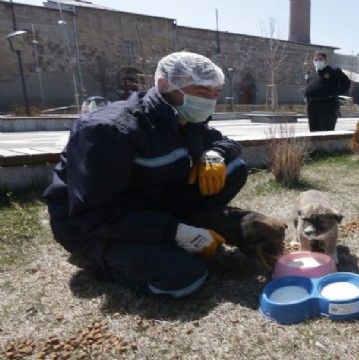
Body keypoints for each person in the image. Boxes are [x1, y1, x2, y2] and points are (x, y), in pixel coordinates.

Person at [43, 51, 251, 298]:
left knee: (233, 168)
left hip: (148, 206)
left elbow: (226, 143)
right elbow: (95, 214)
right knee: (184, 278)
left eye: (215, 94)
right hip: (92, 227)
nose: (209, 102)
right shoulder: (108, 130)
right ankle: (97, 263)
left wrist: (214, 154)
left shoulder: (188, 119)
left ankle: (173, 233)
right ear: (165, 86)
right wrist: (176, 232)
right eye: (202, 93)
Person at [304, 51, 351, 132]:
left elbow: (346, 83)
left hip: (327, 105)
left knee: (326, 132)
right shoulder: (311, 73)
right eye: (316, 59)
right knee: (314, 133)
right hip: (312, 106)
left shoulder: (333, 71)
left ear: (326, 60)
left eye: (320, 59)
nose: (318, 61)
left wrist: (336, 92)